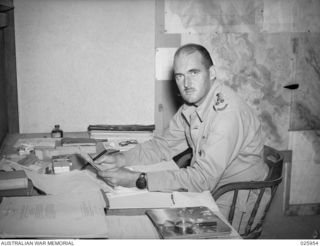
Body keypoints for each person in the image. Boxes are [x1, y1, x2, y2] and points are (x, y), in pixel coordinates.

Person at [96, 43, 269, 232]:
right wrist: (122, 158)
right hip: (211, 189)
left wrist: (138, 179)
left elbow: (202, 178)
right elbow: (164, 145)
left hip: (234, 199)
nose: (186, 83)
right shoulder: (193, 105)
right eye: (180, 76)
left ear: (211, 73)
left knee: (152, 229)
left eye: (194, 72)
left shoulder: (227, 115)